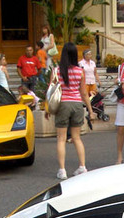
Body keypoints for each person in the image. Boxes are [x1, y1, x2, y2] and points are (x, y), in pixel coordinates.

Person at [47, 42, 95, 180]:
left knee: (61, 139)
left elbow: (51, 90)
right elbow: (84, 93)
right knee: (77, 138)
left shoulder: (56, 70)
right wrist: (90, 110)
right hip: (77, 104)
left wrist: (47, 108)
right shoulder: (80, 71)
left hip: (62, 104)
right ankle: (82, 166)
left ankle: (62, 170)